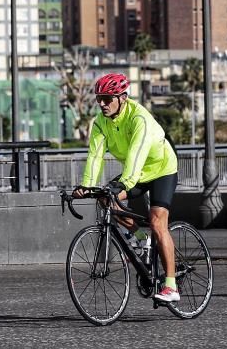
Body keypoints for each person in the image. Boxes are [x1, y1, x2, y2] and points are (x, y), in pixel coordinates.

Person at [72, 73, 181, 302]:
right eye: (99, 98)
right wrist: (87, 186)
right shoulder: (101, 123)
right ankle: (141, 237)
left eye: (107, 98)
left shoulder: (139, 118)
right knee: (103, 197)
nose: (102, 103)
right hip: (138, 173)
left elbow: (136, 154)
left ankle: (171, 286)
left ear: (122, 98)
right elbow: (95, 157)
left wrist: (124, 183)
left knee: (157, 221)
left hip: (161, 168)